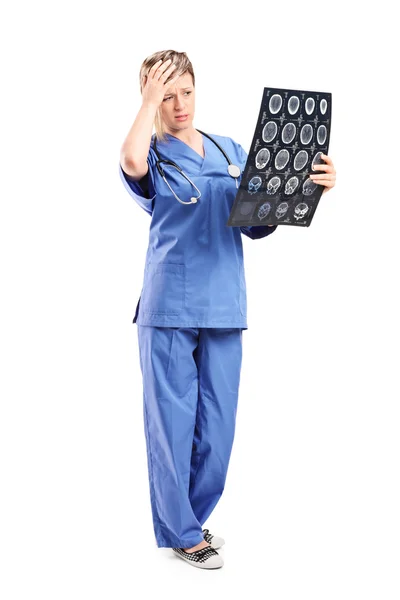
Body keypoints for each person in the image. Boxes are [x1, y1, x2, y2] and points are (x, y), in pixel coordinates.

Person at [119, 50, 336, 569]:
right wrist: (147, 103)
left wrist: (309, 187)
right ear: (151, 100)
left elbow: (259, 220)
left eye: (186, 92)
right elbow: (131, 163)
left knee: (217, 430)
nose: (179, 105)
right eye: (166, 96)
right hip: (170, 306)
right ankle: (185, 534)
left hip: (223, 304)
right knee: (171, 426)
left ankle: (185, 521)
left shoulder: (230, 149)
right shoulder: (150, 151)